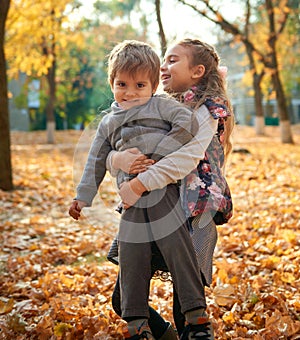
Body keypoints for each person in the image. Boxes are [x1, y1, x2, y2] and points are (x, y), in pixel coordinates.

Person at [69, 40, 219, 340]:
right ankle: (137, 322)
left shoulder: (163, 106)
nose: (130, 92)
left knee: (177, 245)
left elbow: (187, 125)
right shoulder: (108, 123)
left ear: (152, 87)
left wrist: (158, 153)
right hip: (132, 200)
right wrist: (82, 196)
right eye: (121, 84)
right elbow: (96, 159)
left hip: (165, 193)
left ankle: (195, 313)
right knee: (131, 253)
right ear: (111, 83)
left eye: (140, 85)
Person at [107, 38, 234, 339]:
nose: (163, 66)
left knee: (187, 307)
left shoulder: (207, 110)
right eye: (164, 59)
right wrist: (119, 159)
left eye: (173, 59)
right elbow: (119, 146)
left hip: (193, 214)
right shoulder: (157, 106)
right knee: (121, 299)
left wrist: (137, 183)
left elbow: (184, 159)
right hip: (152, 208)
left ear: (197, 71)